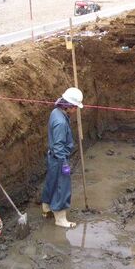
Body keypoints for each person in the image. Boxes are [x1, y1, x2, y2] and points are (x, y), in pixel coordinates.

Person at [41, 87, 83, 228]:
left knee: (52, 182)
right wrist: (64, 163)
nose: (76, 110)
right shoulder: (60, 122)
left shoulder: (56, 112)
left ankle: (46, 208)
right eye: (75, 107)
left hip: (52, 157)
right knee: (62, 186)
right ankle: (60, 218)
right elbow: (58, 146)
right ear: (69, 106)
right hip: (59, 158)